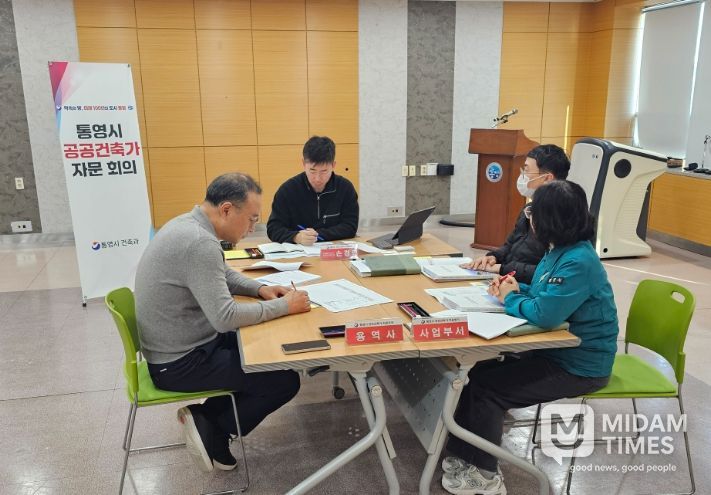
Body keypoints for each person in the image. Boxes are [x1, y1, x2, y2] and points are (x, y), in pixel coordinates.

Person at [441, 180, 619, 495]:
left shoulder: (579, 261)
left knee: (489, 391)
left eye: (532, 212)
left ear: (549, 220)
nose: (529, 218)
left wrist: (511, 298)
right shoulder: (559, 251)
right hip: (553, 353)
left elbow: (546, 314)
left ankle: (486, 476)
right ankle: (465, 454)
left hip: (579, 366)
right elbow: (543, 293)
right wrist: (512, 288)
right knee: (475, 374)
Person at [134, 173, 311, 473]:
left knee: (263, 348)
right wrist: (284, 306)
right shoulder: (199, 243)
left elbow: (222, 274)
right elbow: (225, 317)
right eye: (251, 219)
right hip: (179, 364)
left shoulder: (187, 225)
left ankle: (204, 419)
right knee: (283, 380)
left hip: (179, 346)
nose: (252, 228)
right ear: (227, 209)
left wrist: (259, 289)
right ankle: (215, 431)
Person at [463, 144, 570, 284]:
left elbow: (548, 273)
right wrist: (493, 257)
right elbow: (510, 245)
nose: (522, 176)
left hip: (527, 285)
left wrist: (503, 269)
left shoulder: (562, 217)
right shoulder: (529, 208)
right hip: (509, 278)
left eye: (527, 170)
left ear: (547, 178)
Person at [267, 135, 359, 245]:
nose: (317, 178)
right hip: (298, 251)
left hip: (333, 249)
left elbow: (350, 226)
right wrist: (296, 237)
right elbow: (273, 228)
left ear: (333, 165)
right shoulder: (287, 190)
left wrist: (318, 235)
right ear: (303, 164)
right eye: (312, 171)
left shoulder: (345, 188)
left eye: (324, 171)